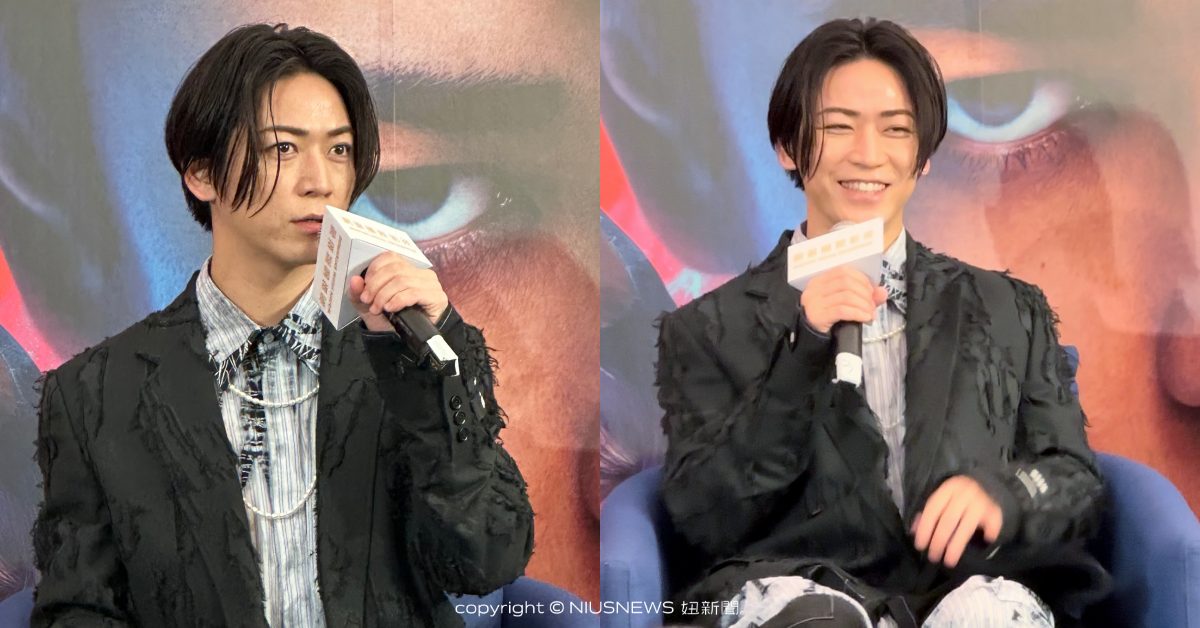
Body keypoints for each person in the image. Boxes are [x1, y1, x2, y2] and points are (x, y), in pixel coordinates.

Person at [32, 24, 532, 627]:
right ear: (201, 171)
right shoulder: (93, 393)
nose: (320, 180)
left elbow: (488, 561)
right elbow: (78, 608)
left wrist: (434, 356)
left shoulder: (402, 354)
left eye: (339, 150)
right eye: (282, 149)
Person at [655, 18, 1108, 627]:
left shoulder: (1008, 308)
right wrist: (801, 352)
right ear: (788, 146)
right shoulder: (709, 329)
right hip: (801, 600)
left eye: (896, 129)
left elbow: (1074, 477)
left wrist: (1006, 495)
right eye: (838, 127)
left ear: (922, 157)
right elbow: (704, 519)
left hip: (966, 594)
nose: (868, 154)